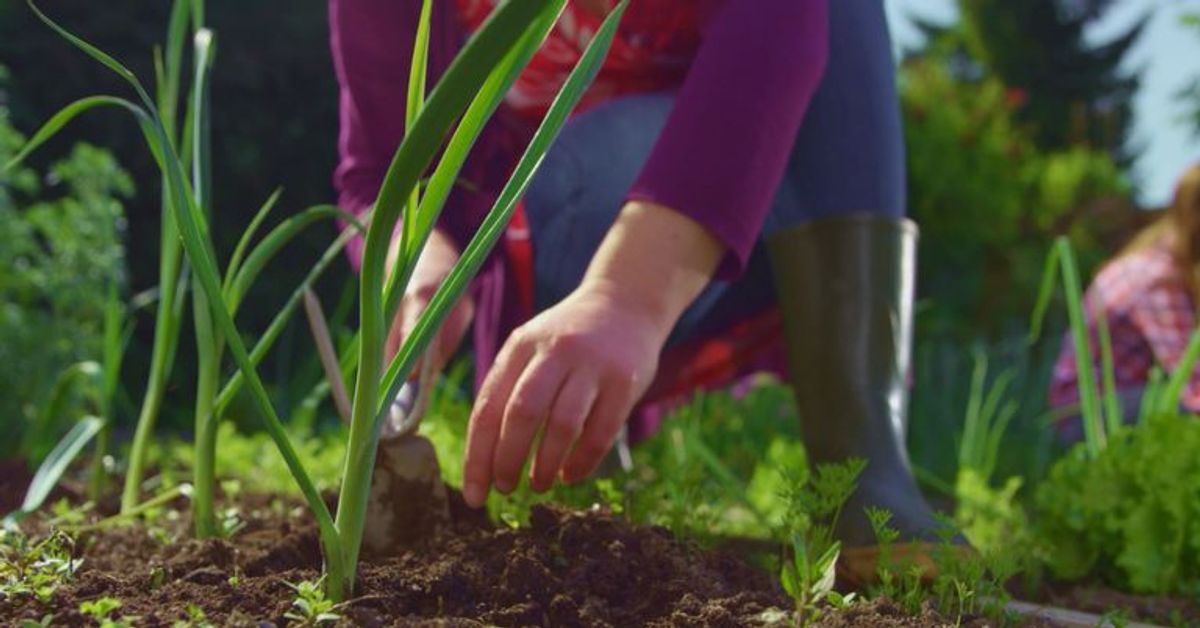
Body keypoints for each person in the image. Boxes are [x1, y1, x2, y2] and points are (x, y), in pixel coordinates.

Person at [329, 0, 942, 551]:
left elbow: (778, 25)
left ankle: (862, 466)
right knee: (569, 172)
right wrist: (420, 262)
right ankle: (577, 454)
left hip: (758, 205)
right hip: (558, 222)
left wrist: (627, 297)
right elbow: (380, 171)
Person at [1051, 163, 1200, 437]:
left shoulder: (1160, 264)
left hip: (1116, 399)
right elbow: (1194, 381)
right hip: (1088, 412)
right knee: (1185, 415)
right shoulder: (1155, 277)